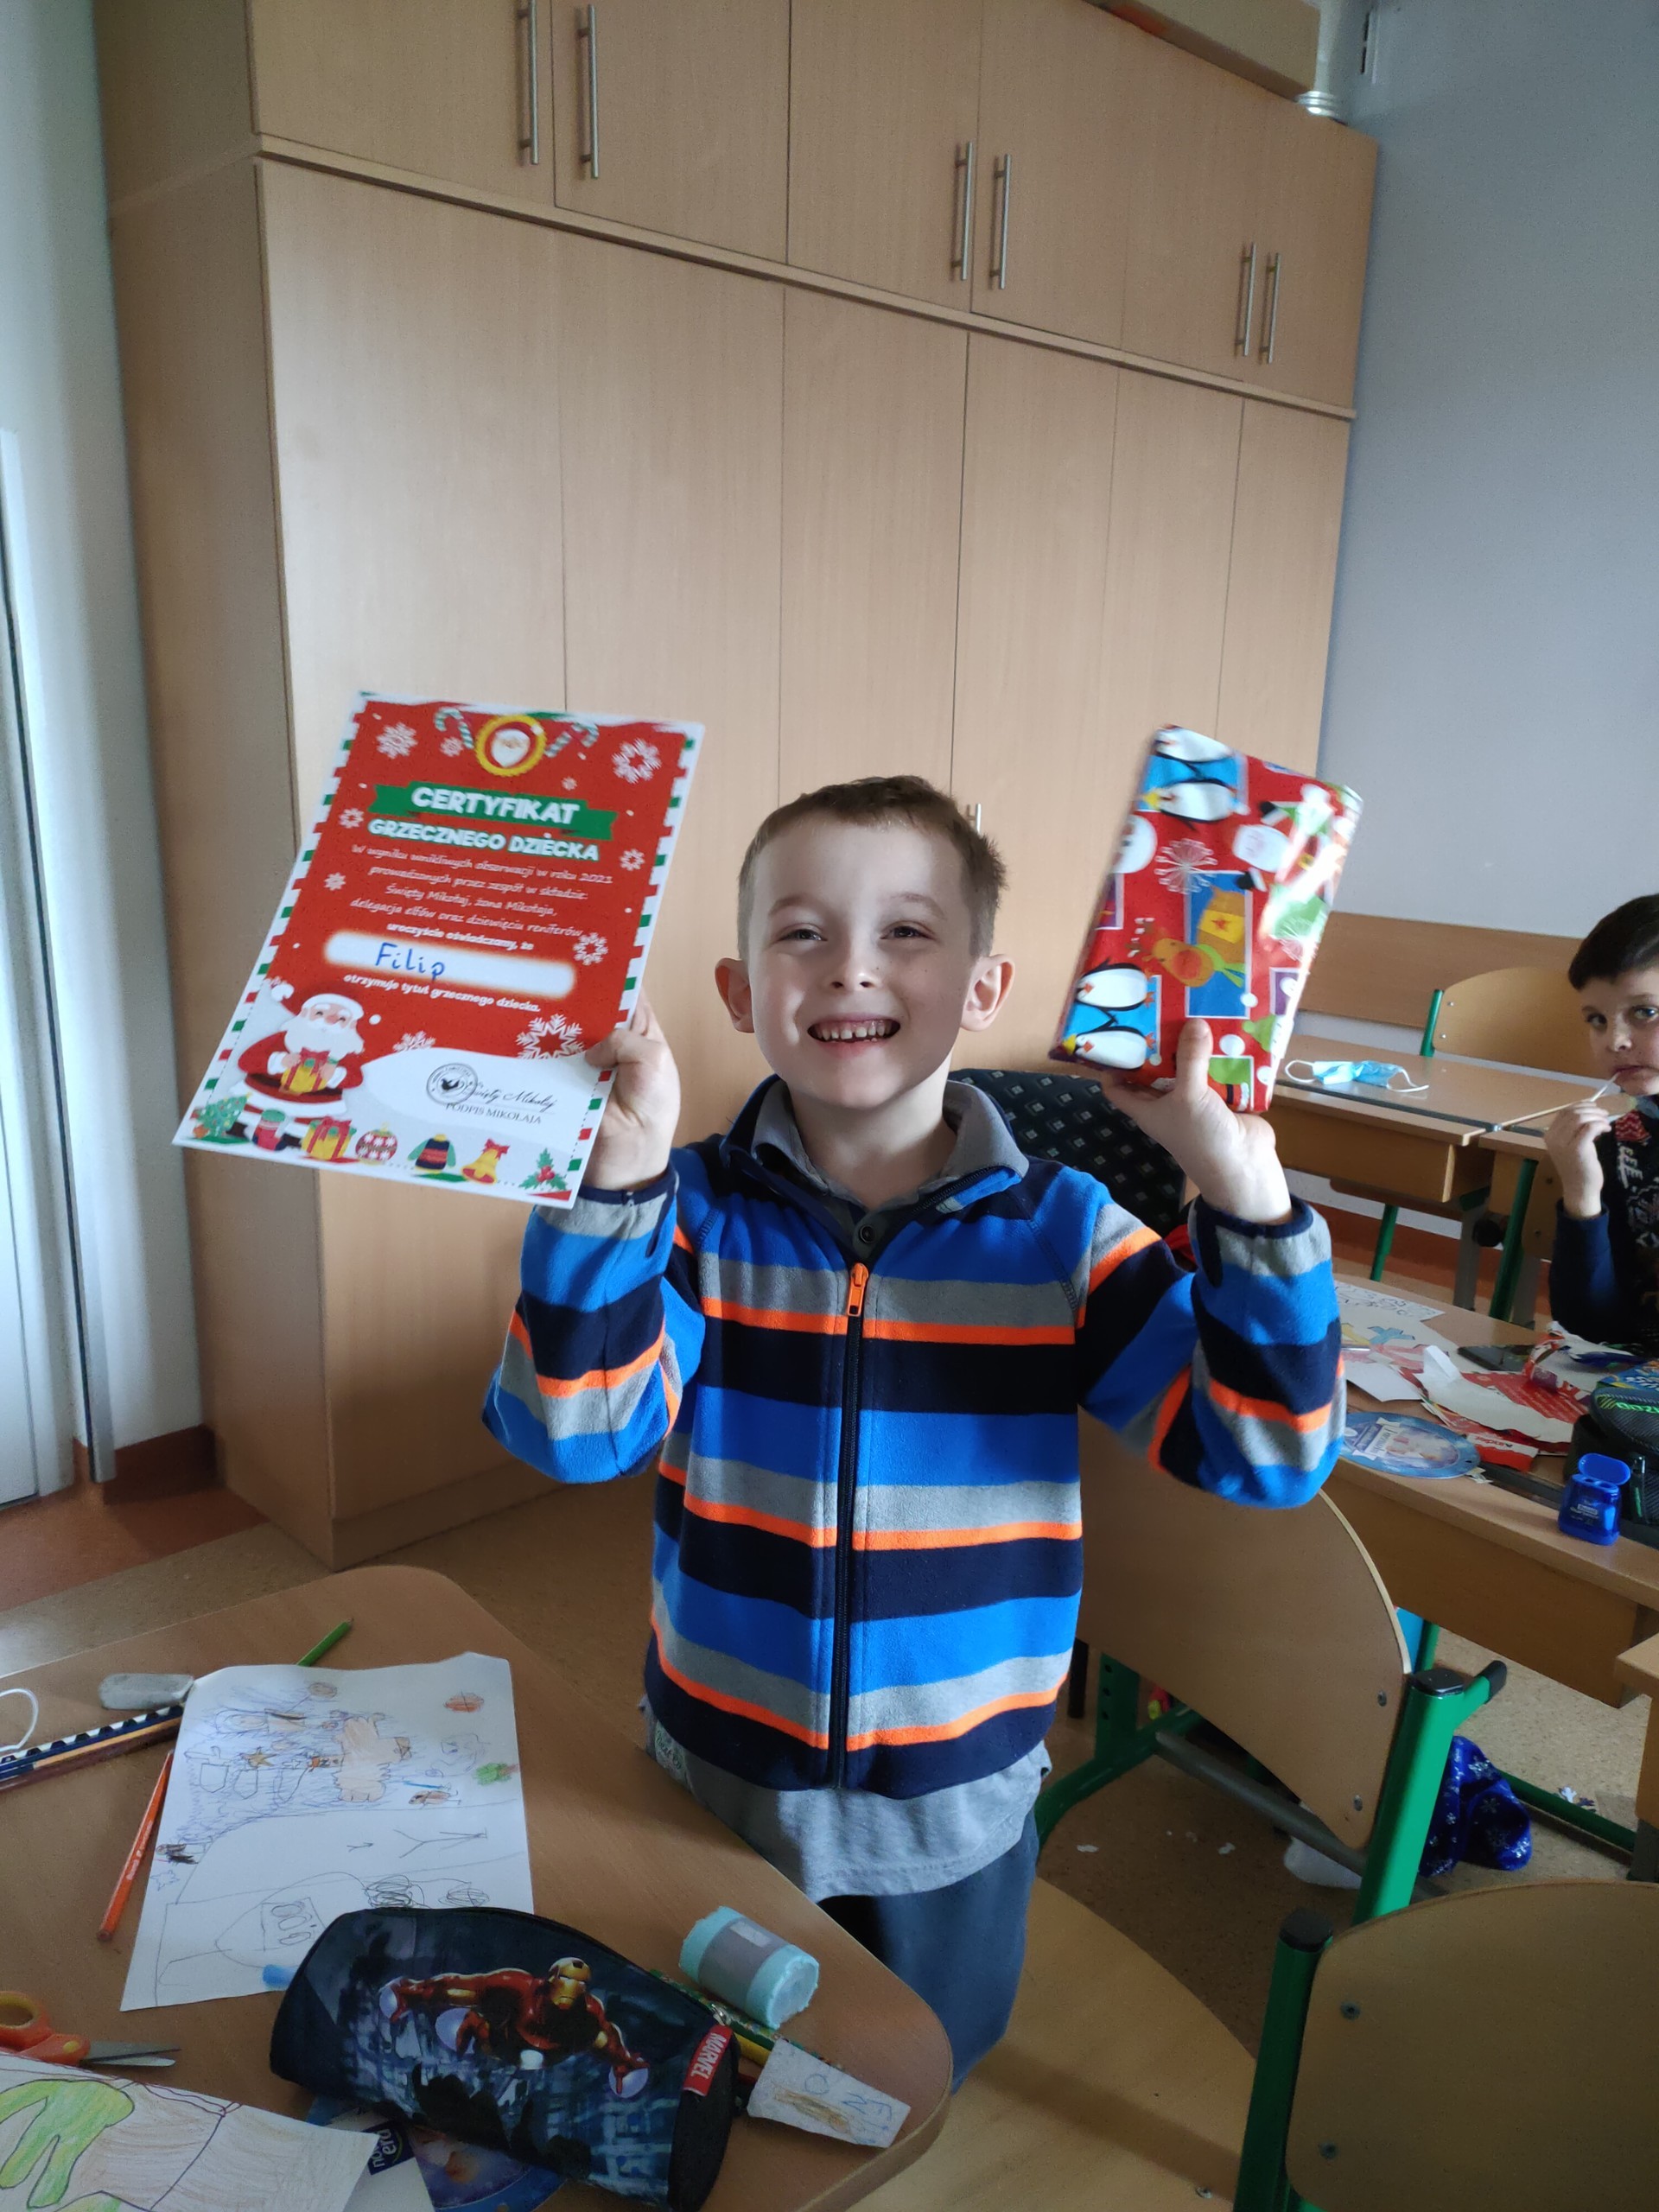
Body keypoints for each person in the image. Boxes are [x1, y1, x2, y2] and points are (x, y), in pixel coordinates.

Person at [484, 775, 1343, 2083]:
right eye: (803, 932)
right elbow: (574, 1434)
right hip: (720, 1766)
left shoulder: (1061, 1230)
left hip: (956, 1799)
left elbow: (1270, 1450)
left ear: (983, 989)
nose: (850, 968)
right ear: (739, 991)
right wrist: (615, 1178)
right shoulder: (690, 1208)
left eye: (906, 931)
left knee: (915, 2074)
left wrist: (1241, 1187)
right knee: (710, 2064)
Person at [1547, 894, 1659, 1350]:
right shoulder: (1622, 1143)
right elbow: (1587, 1325)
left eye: (1645, 1012)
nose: (1615, 1040)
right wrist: (1582, 1195)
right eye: (1597, 1019)